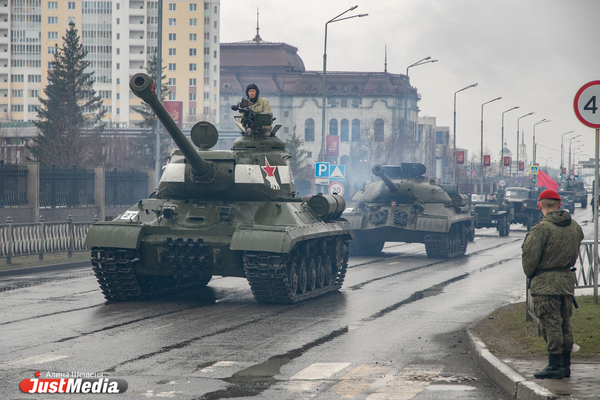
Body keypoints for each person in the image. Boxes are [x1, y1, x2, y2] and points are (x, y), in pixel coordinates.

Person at [522, 189, 584, 379]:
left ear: (540, 205)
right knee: (565, 324)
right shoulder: (574, 226)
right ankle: (565, 365)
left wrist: (533, 274)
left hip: (546, 284)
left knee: (551, 324)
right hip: (566, 282)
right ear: (559, 204)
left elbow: (530, 261)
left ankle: (554, 365)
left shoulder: (541, 228)